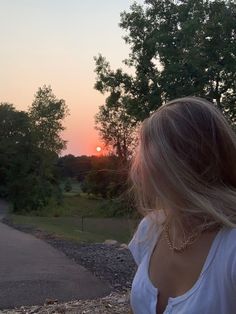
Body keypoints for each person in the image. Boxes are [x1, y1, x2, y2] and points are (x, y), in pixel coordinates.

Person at [128, 97, 236, 314]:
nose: (138, 161)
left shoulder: (231, 247)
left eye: (145, 148)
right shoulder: (151, 228)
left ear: (173, 163)